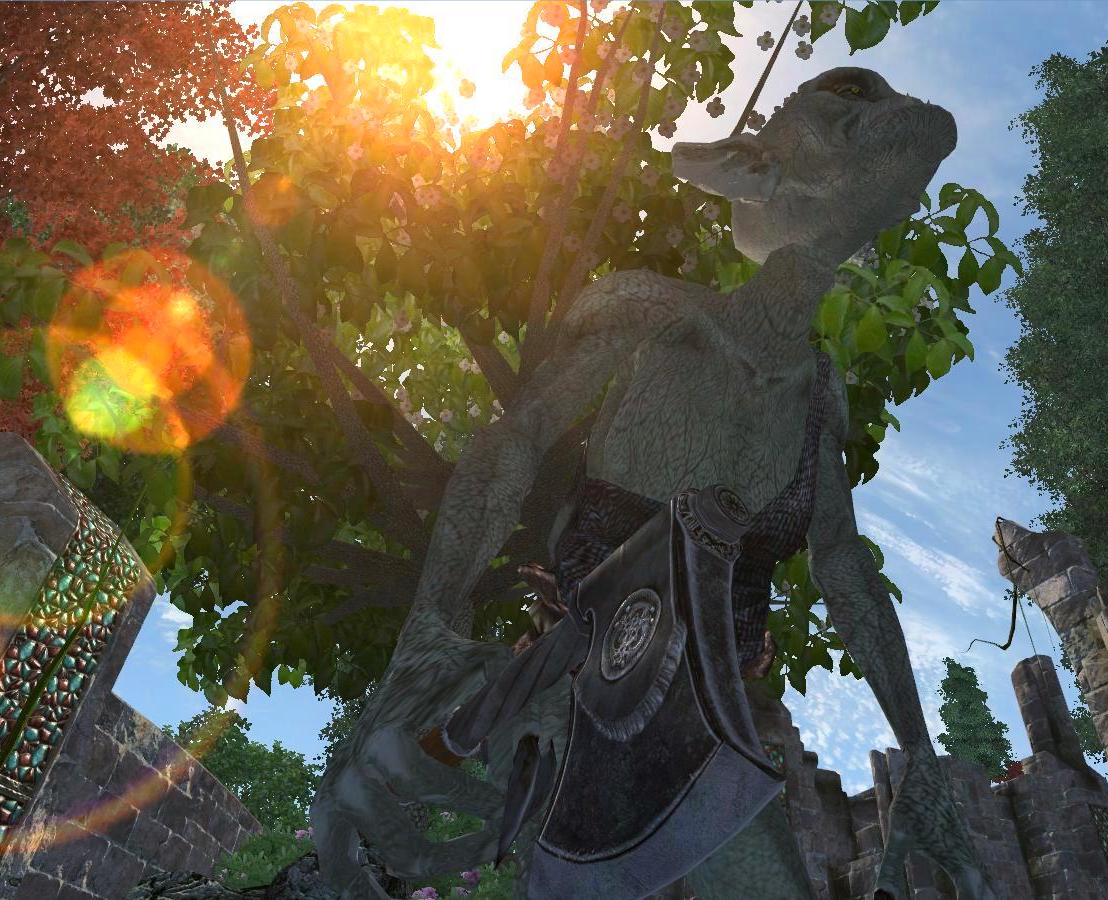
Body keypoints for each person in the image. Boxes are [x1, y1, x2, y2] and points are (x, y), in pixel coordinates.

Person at [313, 67, 999, 900]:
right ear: (752, 165)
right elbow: (514, 440)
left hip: (707, 737)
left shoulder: (819, 392)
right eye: (852, 95)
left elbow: (844, 567)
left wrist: (919, 754)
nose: (883, 114)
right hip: (569, 695)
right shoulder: (650, 312)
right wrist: (426, 632)